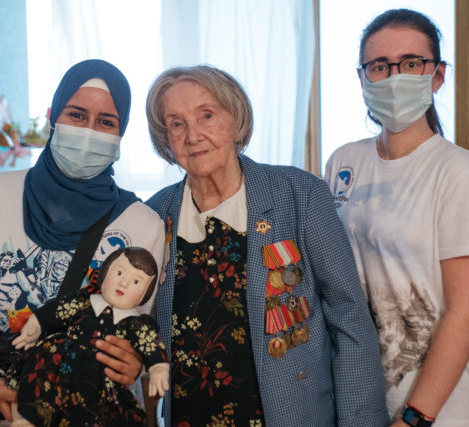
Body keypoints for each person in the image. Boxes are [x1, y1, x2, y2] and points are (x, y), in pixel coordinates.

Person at [0, 59, 164, 423]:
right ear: (52, 117)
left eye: (106, 122)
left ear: (121, 133)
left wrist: (135, 361)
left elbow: (139, 330)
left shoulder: (143, 223)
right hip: (1, 408)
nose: (89, 132)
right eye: (76, 115)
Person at [145, 64, 388, 426]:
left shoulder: (299, 194)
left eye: (206, 115)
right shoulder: (155, 214)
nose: (193, 135)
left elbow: (348, 316)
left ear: (236, 119)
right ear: (165, 139)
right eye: (176, 124)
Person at [325, 9, 469, 426]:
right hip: (363, 401)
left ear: (437, 76)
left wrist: (416, 417)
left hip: (440, 410)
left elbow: (467, 314)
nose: (394, 77)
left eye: (411, 63)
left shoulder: (459, 173)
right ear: (363, 78)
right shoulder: (344, 162)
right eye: (379, 66)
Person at [8, 247, 169, 426]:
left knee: (93, 405)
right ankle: (30, 419)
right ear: (106, 271)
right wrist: (35, 324)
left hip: (100, 372)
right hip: (61, 358)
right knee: (42, 379)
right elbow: (57, 310)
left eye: (136, 282)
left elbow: (150, 342)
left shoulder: (136, 323)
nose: (123, 284)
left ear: (146, 293)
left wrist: (157, 366)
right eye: (119, 273)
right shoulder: (83, 301)